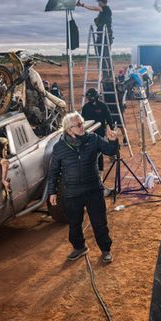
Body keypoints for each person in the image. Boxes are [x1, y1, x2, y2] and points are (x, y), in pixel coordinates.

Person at [47, 111, 119, 263]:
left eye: (82, 123)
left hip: (93, 190)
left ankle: (105, 250)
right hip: (72, 194)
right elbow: (53, 171)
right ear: (68, 129)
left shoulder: (93, 139)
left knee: (99, 222)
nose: (82, 127)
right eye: (78, 125)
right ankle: (80, 247)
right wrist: (51, 192)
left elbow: (110, 151)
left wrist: (113, 141)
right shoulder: (59, 148)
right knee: (74, 224)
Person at [81, 88, 114, 172]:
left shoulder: (102, 106)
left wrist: (111, 128)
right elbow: (83, 121)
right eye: (88, 98)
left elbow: (109, 118)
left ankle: (100, 172)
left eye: (90, 97)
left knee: (99, 151)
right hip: (89, 133)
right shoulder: (86, 107)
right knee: (90, 151)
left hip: (100, 131)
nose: (89, 99)